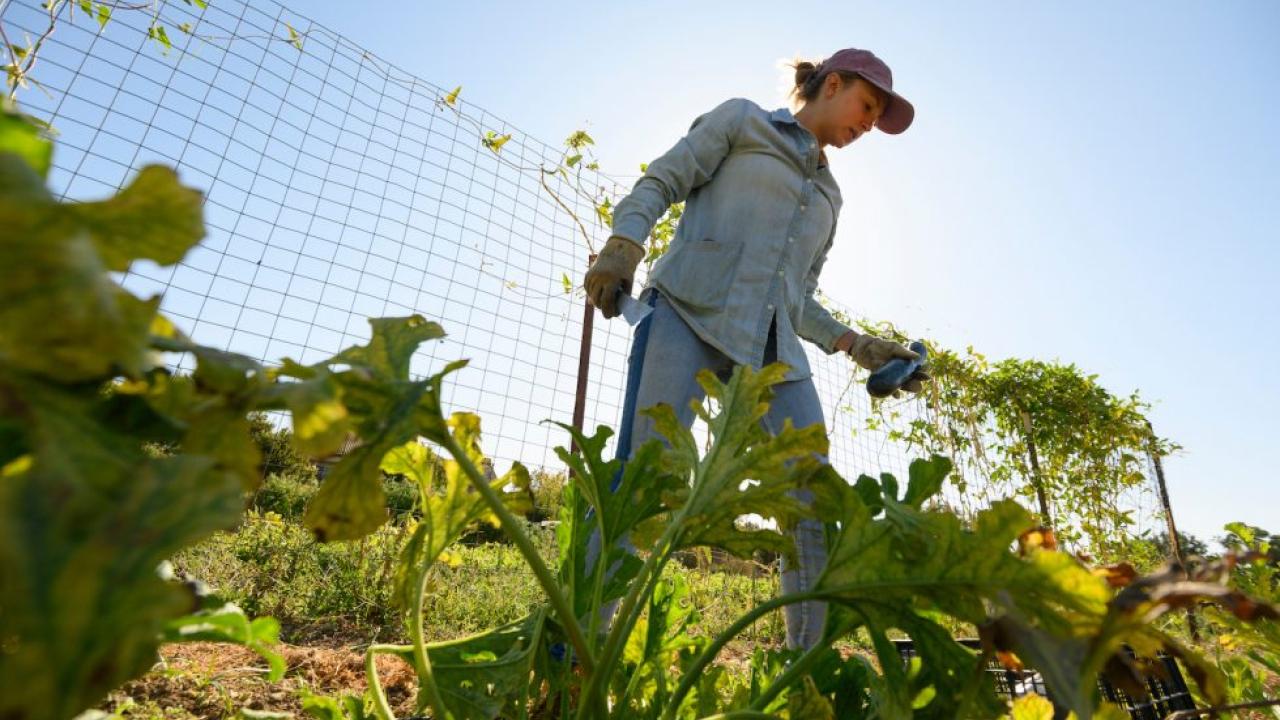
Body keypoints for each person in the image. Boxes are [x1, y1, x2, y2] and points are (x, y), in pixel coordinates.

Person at [582, 48, 928, 650]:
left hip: (775, 352)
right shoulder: (743, 122)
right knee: (644, 478)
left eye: (878, 117)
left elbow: (798, 300)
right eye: (867, 105)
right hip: (689, 312)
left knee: (811, 499)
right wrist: (623, 245)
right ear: (833, 84)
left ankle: (807, 668)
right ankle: (575, 648)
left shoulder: (830, 198)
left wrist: (859, 345)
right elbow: (664, 178)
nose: (870, 123)